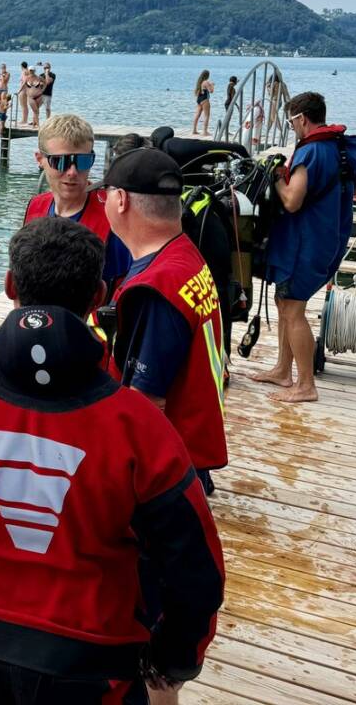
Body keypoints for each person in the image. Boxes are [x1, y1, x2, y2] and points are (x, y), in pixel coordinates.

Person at [0, 214, 225, 705]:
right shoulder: (141, 426)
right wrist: (175, 657)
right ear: (100, 296)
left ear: (9, 284)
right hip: (91, 662)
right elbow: (196, 566)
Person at [103, 149, 228, 488]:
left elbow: (147, 404)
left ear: (122, 200)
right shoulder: (184, 254)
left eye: (106, 194)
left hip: (165, 468)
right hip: (188, 449)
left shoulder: (158, 287)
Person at [253, 92, 356, 404]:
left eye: (292, 122)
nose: (292, 128)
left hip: (304, 244)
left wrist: (277, 177)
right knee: (283, 302)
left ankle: (306, 385)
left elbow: (292, 202)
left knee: (293, 309)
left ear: (302, 119)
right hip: (331, 237)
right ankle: (282, 369)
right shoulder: (341, 148)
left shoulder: (310, 152)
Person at [23, 114, 132, 296]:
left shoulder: (115, 212)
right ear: (40, 159)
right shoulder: (36, 206)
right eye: (61, 161)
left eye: (82, 161)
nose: (73, 172)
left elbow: (129, 282)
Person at [192, 69, 214, 136]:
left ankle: (194, 130)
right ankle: (205, 132)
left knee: (197, 115)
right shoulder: (206, 82)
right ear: (207, 75)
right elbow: (211, 91)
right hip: (205, 100)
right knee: (207, 115)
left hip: (199, 99)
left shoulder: (199, 82)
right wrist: (212, 85)